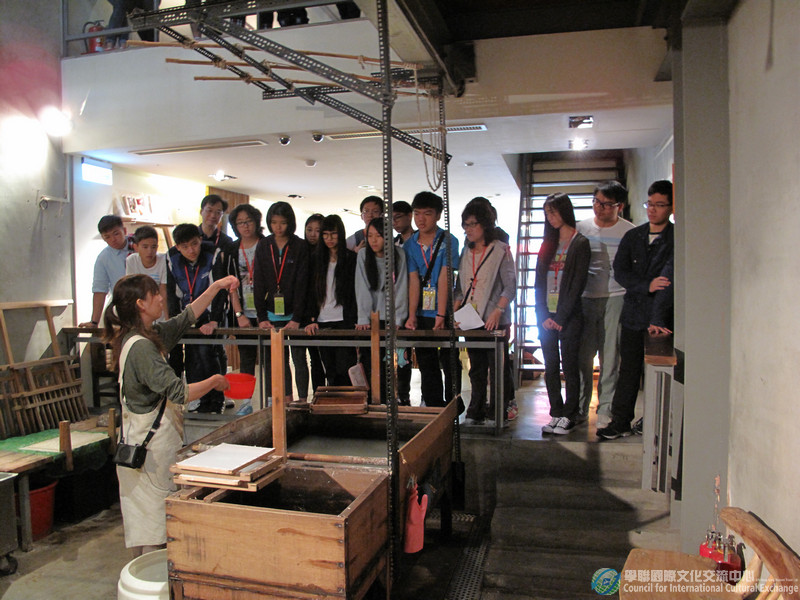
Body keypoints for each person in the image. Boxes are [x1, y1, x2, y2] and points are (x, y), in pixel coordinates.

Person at [104, 272, 238, 557]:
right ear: (141, 304)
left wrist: (216, 286)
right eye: (154, 294)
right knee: (154, 531)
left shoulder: (146, 335)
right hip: (148, 455)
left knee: (145, 528)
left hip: (145, 449)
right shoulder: (141, 348)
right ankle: (150, 580)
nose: (160, 298)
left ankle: (143, 578)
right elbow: (179, 392)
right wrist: (215, 381)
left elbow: (186, 317)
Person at [597, 180, 674, 440]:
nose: (652, 209)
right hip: (633, 313)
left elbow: (669, 280)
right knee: (628, 369)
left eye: (659, 205)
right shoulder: (634, 236)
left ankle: (655, 421)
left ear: (671, 207)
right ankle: (620, 421)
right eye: (649, 204)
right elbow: (621, 271)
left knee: (658, 373)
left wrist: (658, 314)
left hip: (661, 316)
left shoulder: (674, 238)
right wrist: (646, 285)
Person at [576, 181, 635, 428]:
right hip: (586, 296)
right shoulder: (581, 228)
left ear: (619, 206)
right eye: (596, 202)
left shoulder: (629, 231)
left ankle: (606, 408)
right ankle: (579, 407)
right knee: (583, 354)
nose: (599, 208)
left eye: (606, 204)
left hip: (616, 295)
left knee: (610, 355)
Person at [454, 199, 516, 424]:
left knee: (497, 367)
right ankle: (476, 409)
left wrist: (498, 310)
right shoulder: (466, 251)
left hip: (495, 318)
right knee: (476, 367)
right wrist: (455, 313)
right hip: (470, 317)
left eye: (473, 224)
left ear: (485, 224)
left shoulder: (500, 250)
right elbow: (460, 288)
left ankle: (498, 410)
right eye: (466, 224)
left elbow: (510, 285)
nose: (468, 229)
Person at [535, 193, 591, 435]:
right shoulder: (547, 243)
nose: (550, 217)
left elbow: (578, 283)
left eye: (554, 211)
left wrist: (561, 317)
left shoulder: (580, 243)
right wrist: (543, 315)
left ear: (565, 211)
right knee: (550, 365)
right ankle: (556, 413)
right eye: (547, 213)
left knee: (570, 365)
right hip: (547, 316)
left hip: (569, 316)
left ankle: (570, 414)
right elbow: (538, 283)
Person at [404, 191, 460, 407]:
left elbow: (446, 277)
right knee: (426, 360)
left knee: (450, 359)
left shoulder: (448, 241)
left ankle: (453, 404)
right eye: (417, 214)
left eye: (427, 214)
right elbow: (413, 280)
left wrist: (442, 313)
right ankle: (434, 406)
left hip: (444, 310)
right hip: (421, 311)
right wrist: (411, 315)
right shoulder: (410, 244)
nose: (421, 219)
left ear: (437, 215)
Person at [166, 224, 226, 413]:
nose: (191, 250)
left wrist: (214, 320)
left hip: (208, 315)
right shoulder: (171, 258)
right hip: (185, 315)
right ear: (178, 247)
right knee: (190, 358)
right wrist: (176, 321)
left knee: (207, 355)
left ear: (200, 240)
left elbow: (220, 289)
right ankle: (196, 400)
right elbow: (171, 293)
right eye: (185, 247)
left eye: (194, 244)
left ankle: (216, 401)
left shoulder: (212, 253)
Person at [253, 202, 309, 404]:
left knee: (299, 359)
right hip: (271, 314)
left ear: (290, 223)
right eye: (274, 222)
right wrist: (261, 317)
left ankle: (302, 401)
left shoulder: (299, 245)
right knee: (277, 360)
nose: (278, 227)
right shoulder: (264, 245)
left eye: (283, 223)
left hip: (296, 315)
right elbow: (258, 282)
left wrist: (297, 318)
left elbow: (303, 284)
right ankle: (282, 400)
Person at [211, 204, 264, 414]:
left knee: (272, 359)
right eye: (240, 223)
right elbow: (229, 285)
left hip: (268, 312)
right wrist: (239, 313)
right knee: (247, 359)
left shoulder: (266, 245)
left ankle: (272, 401)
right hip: (243, 312)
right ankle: (246, 403)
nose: (245, 226)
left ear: (256, 221)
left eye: (248, 221)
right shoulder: (231, 250)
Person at [355, 217, 408, 401]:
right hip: (371, 320)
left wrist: (398, 318)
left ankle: (397, 400)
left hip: (392, 319)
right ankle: (373, 401)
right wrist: (363, 318)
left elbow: (401, 287)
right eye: (370, 236)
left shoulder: (399, 255)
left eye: (378, 235)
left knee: (395, 363)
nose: (374, 240)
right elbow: (362, 288)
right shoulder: (363, 255)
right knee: (370, 362)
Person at [302, 215, 358, 386]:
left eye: (333, 234)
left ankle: (347, 400)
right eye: (325, 234)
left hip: (344, 320)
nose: (329, 238)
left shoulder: (351, 259)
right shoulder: (315, 259)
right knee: (330, 370)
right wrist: (311, 318)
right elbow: (310, 292)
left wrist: (357, 318)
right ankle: (333, 402)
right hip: (322, 320)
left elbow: (355, 292)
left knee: (345, 368)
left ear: (340, 234)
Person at [79, 215, 134, 327]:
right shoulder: (103, 258)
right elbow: (100, 290)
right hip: (121, 305)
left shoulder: (139, 245)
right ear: (103, 238)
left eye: (116, 234)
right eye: (107, 237)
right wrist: (94, 321)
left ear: (124, 231)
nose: (113, 239)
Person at [391, 200, 415, 404]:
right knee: (401, 353)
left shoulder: (419, 241)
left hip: (419, 303)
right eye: (391, 219)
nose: (394, 222)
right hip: (398, 303)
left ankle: (427, 398)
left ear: (410, 216)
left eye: (398, 217)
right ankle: (402, 396)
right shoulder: (392, 244)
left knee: (421, 352)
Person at [126, 226, 167, 321]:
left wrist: (167, 319)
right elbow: (131, 289)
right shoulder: (131, 260)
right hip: (140, 306)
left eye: (153, 247)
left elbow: (163, 291)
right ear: (136, 247)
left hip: (158, 307)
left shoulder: (164, 260)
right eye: (145, 247)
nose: (150, 251)